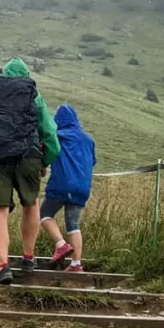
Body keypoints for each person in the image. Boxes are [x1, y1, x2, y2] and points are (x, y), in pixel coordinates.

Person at [0, 58, 61, 285]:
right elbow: (49, 133)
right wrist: (43, 161)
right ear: (26, 75)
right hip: (28, 157)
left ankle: (3, 265)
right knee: (31, 204)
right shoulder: (33, 96)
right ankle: (28, 257)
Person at [41, 104, 96, 272]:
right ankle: (76, 264)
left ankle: (61, 244)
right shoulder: (89, 140)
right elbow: (92, 162)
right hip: (82, 188)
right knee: (73, 224)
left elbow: (48, 154)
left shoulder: (58, 136)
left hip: (61, 184)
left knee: (44, 215)